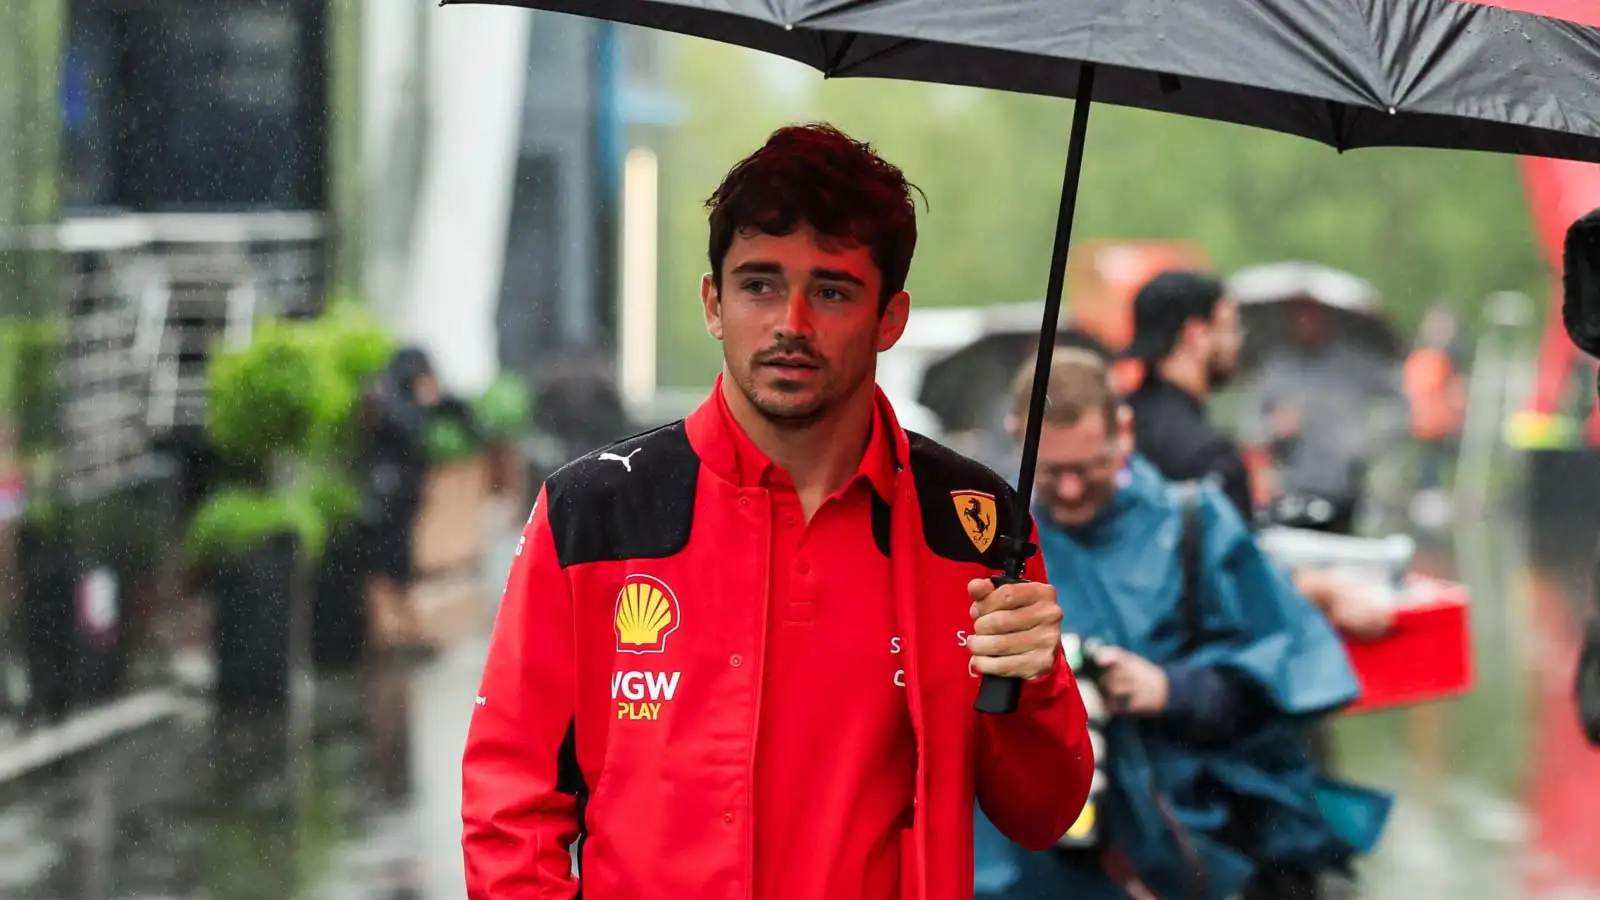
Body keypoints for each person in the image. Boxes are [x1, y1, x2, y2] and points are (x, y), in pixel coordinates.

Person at [462, 122, 1094, 900]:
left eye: (830, 291)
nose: (791, 323)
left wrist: (1031, 686)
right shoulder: (594, 512)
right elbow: (510, 811)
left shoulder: (975, 530)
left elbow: (1044, 812)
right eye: (760, 284)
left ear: (889, 318)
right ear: (713, 303)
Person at [982, 349, 1384, 900]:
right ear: (1015, 436)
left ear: (1123, 431)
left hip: (1189, 850)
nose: (1072, 490)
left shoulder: (1197, 523)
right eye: (1052, 473)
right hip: (1035, 865)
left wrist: (1168, 689)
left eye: (1087, 467)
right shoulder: (986, 537)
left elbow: (1278, 675)